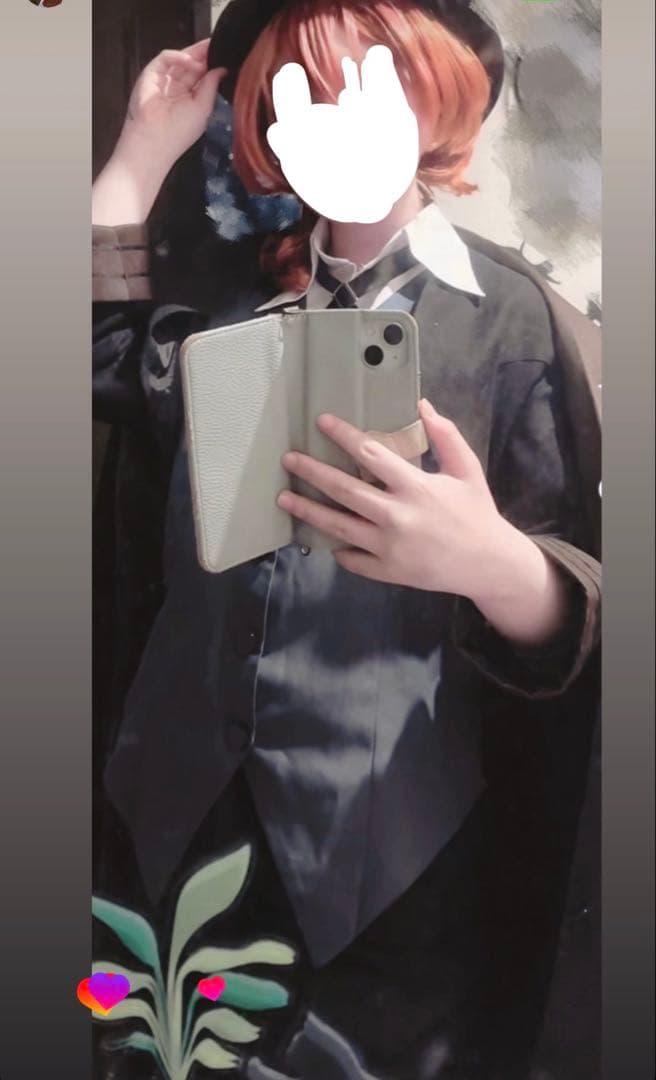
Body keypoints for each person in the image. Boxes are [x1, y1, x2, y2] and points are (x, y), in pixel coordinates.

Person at [91, 2, 601, 1077]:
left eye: (364, 87)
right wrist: (139, 152)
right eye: (297, 98)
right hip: (176, 830)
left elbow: (582, 601)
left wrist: (493, 565)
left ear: (434, 92)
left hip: (396, 874)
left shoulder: (521, 326)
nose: (330, 120)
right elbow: (93, 354)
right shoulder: (228, 305)